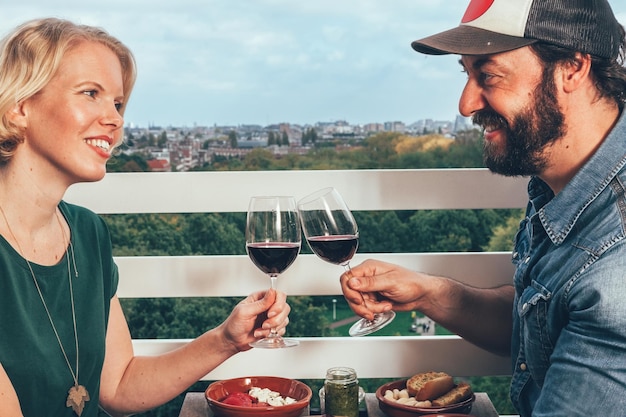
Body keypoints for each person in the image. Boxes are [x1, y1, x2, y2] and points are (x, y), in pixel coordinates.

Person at [340, 1, 626, 415]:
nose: (466, 103)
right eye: (467, 74)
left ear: (572, 68)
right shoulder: (564, 183)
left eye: (488, 75)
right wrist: (432, 293)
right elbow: (546, 324)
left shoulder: (615, 266)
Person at [0, 18, 291, 417]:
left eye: (117, 103)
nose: (116, 120)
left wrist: (226, 338)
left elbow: (118, 385)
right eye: (91, 93)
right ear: (20, 107)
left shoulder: (87, 232)